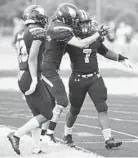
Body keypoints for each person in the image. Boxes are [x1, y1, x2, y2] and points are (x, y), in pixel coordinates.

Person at [63, 10, 132, 149]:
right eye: (82, 23)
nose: (85, 26)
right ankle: (67, 134)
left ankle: (108, 139)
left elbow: (105, 51)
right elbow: (57, 54)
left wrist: (120, 58)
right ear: (76, 24)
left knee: (102, 108)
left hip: (95, 77)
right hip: (77, 79)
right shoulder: (71, 40)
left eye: (87, 22)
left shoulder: (95, 37)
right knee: (74, 110)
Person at [41, 3, 109, 142]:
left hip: (50, 68)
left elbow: (82, 37)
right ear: (65, 19)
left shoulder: (58, 27)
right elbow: (80, 43)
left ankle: (43, 135)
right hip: (48, 69)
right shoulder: (60, 29)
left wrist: (94, 34)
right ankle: (46, 135)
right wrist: (97, 34)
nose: (74, 23)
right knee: (62, 101)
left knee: (51, 103)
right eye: (72, 20)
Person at [7, 5, 53, 155]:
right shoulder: (38, 32)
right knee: (47, 114)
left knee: (37, 113)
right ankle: (17, 134)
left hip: (23, 74)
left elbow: (24, 58)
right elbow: (32, 58)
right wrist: (34, 80)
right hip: (30, 74)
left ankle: (36, 147)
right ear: (39, 17)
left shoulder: (21, 32)